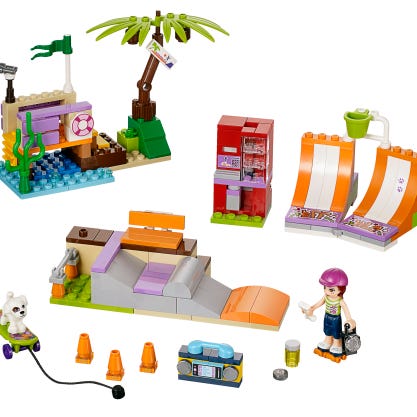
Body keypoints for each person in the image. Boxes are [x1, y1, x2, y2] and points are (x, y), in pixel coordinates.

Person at [303, 268, 356, 358]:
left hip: (336, 319)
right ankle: (328, 341)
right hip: (327, 317)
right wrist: (312, 309)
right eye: (325, 288)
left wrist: (349, 319)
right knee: (327, 329)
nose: (326, 291)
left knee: (336, 331)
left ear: (341, 290)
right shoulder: (326, 297)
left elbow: (346, 310)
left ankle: (337, 343)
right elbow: (319, 303)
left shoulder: (340, 301)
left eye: (331, 290)